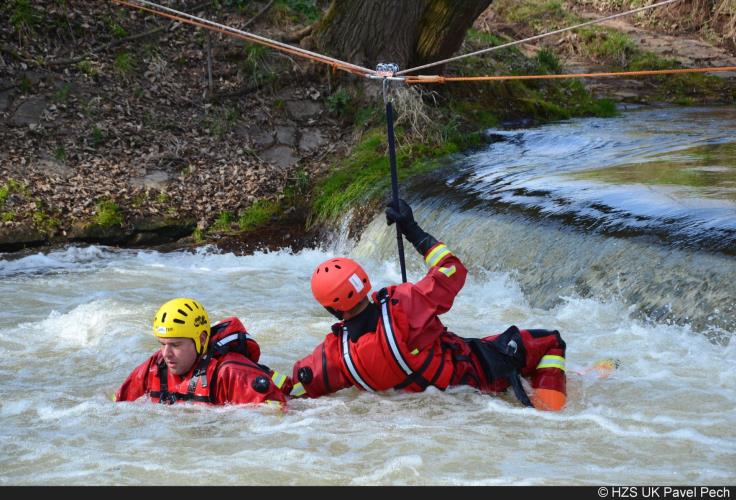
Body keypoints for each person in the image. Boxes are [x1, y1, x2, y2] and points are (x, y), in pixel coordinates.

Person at [289, 199, 567, 411]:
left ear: (332, 309)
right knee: (549, 341)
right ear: (364, 281)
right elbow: (452, 271)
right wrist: (413, 231)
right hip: (476, 377)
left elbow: (297, 387)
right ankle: (550, 408)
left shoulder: (334, 354)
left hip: (433, 401)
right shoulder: (405, 305)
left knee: (491, 344)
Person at [115, 298, 291, 406]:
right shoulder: (155, 367)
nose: (166, 354)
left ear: (201, 339)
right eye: (162, 344)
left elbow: (275, 416)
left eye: (175, 345)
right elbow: (116, 404)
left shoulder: (230, 373)